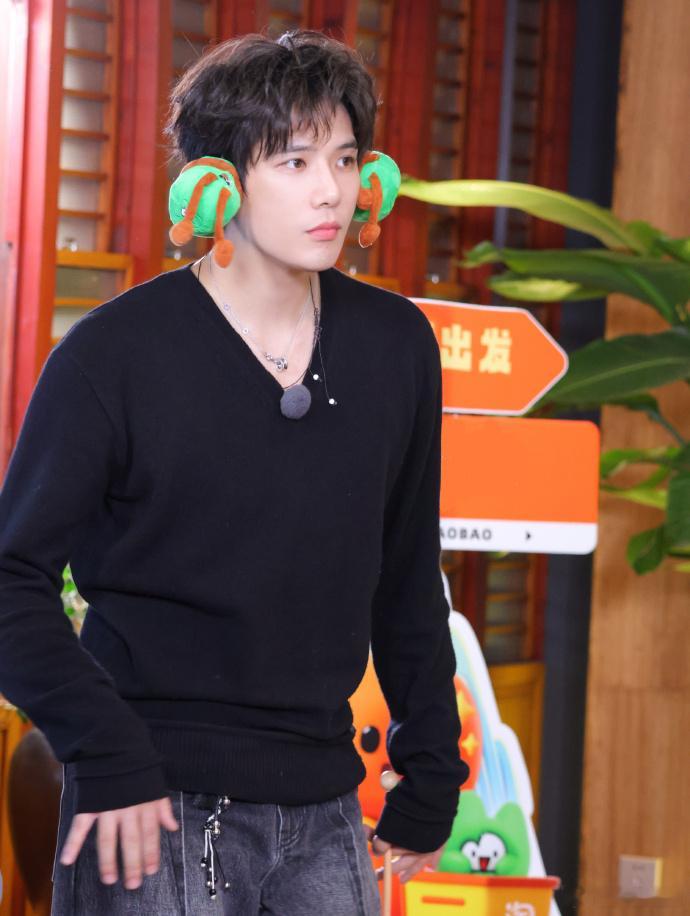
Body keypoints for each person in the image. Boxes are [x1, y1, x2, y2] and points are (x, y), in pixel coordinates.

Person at [0, 29, 469, 915]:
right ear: (215, 183)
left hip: (325, 807)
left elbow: (407, 572)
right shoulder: (114, 356)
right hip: (148, 804)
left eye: (345, 158)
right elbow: (9, 578)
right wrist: (106, 750)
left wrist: (432, 766)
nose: (330, 190)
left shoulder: (396, 344)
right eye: (293, 161)